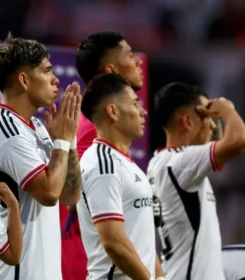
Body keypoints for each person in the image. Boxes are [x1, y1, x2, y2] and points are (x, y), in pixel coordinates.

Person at [0, 34, 82, 280]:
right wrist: (62, 141)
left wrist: (69, 141)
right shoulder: (3, 127)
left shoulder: (37, 126)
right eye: (46, 71)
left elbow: (69, 195)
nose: (56, 80)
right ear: (23, 79)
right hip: (17, 272)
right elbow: (48, 193)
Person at [61, 30, 144, 280]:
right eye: (130, 55)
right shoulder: (93, 131)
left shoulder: (98, 127)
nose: (139, 60)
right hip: (92, 263)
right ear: (110, 71)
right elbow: (76, 199)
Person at [147, 82, 245, 280]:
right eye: (207, 118)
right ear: (187, 121)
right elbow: (238, 141)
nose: (212, 125)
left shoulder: (160, 163)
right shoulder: (181, 162)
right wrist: (228, 109)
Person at [77, 73, 165, 280]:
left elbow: (141, 238)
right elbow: (113, 242)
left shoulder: (126, 163)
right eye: (135, 104)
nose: (143, 112)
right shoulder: (102, 164)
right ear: (113, 111)